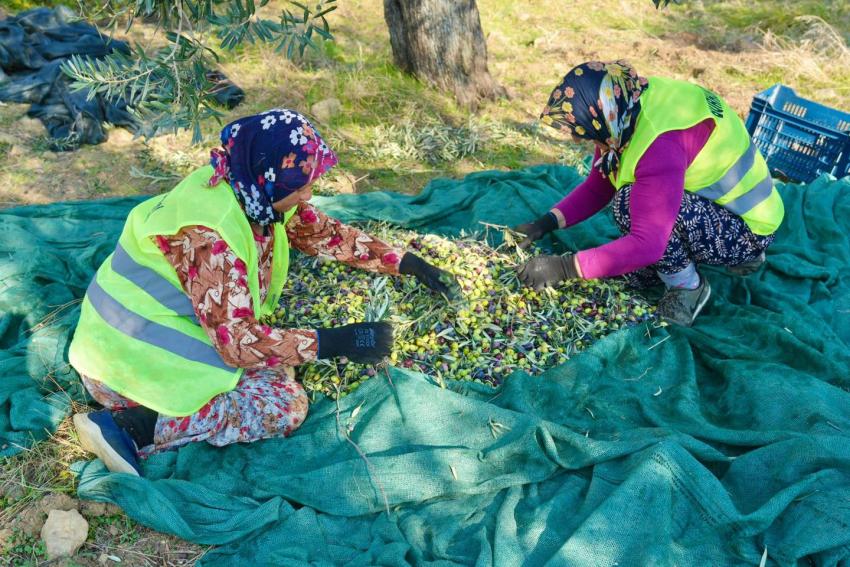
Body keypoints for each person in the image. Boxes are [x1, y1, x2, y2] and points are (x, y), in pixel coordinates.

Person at [69, 109, 459, 476]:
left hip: (128, 341)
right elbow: (237, 345)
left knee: (280, 362)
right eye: (301, 187)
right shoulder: (210, 238)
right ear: (271, 179)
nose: (308, 196)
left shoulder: (245, 186)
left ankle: (142, 414)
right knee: (283, 404)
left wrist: (404, 262)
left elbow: (321, 232)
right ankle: (132, 426)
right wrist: (335, 342)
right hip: (123, 366)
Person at [515, 60, 784, 326]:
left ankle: (689, 287)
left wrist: (564, 268)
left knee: (628, 204)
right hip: (726, 207)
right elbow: (600, 186)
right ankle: (712, 255)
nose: (577, 140)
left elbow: (649, 245)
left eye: (582, 132)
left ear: (602, 114)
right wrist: (544, 224)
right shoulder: (622, 109)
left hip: (747, 229)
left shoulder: (659, 143)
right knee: (636, 258)